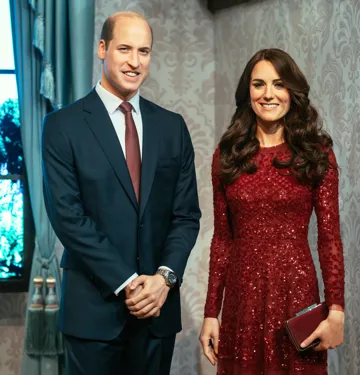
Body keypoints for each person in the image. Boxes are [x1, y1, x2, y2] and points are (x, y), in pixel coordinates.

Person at [42, 11, 201, 375]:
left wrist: (164, 278)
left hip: (157, 310)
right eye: (124, 49)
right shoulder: (62, 125)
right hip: (93, 313)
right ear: (102, 48)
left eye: (143, 51)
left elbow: (186, 216)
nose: (134, 61)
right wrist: (128, 283)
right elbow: (68, 217)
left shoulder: (172, 127)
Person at [199, 48, 345, 375]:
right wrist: (212, 312)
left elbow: (329, 238)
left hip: (296, 294)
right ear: (247, 92)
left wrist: (336, 310)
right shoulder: (227, 156)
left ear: (292, 92)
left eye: (278, 85)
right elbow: (222, 240)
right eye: (258, 84)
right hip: (241, 301)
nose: (268, 94)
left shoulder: (315, 153)